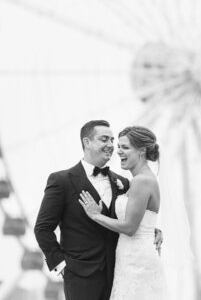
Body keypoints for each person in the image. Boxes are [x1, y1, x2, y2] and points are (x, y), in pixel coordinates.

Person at [34, 120, 163, 300]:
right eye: (105, 140)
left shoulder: (124, 183)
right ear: (87, 142)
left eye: (112, 140)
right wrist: (62, 265)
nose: (111, 146)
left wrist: (152, 230)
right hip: (80, 277)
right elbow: (42, 228)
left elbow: (133, 216)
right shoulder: (62, 181)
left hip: (119, 271)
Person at [78, 125, 168, 300]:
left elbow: (130, 227)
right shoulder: (136, 181)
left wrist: (96, 215)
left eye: (125, 147)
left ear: (142, 151)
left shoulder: (142, 181)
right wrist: (155, 229)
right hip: (129, 257)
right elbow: (143, 219)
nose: (118, 151)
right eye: (118, 146)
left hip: (137, 260)